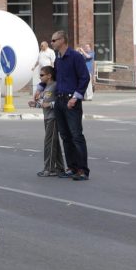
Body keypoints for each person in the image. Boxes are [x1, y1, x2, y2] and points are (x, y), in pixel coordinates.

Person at [51, 30, 91, 181]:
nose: (52, 43)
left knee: (76, 135)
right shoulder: (58, 58)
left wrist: (75, 97)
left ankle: (82, 170)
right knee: (65, 136)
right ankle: (72, 167)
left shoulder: (75, 56)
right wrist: (41, 88)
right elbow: (55, 77)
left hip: (71, 101)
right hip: (59, 100)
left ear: (62, 40)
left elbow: (84, 77)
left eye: (54, 40)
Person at [30, 66, 65, 177]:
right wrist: (35, 104)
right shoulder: (46, 87)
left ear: (49, 75)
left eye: (42, 75)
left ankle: (49, 169)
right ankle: (60, 167)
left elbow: (59, 101)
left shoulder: (55, 86)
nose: (40, 77)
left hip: (53, 118)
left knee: (49, 143)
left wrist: (50, 104)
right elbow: (44, 103)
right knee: (54, 143)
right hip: (47, 117)